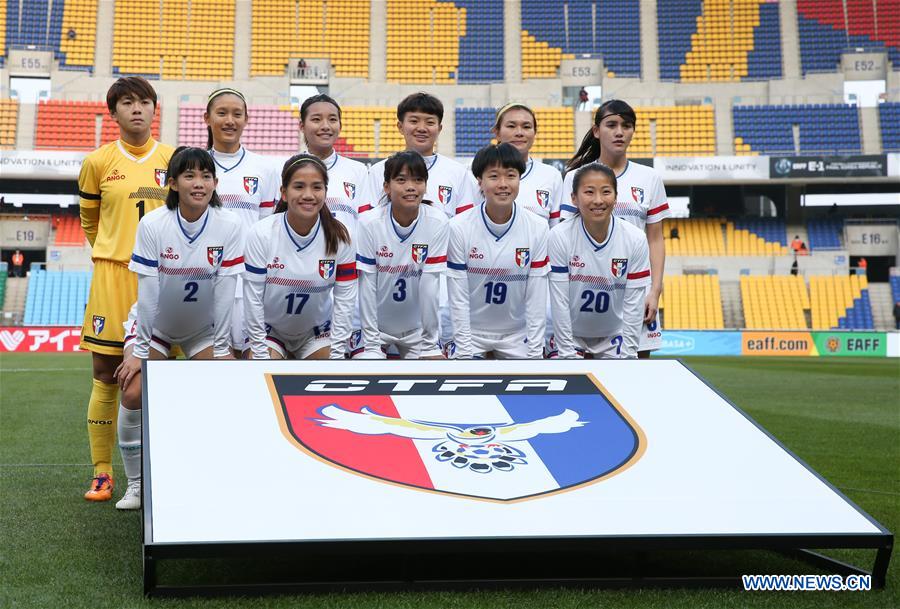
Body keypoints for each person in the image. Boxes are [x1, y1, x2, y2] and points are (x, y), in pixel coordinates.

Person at [113, 147, 244, 509]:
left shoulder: (230, 226)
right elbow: (148, 291)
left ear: (216, 183)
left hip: (202, 328)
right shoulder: (153, 225)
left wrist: (221, 348)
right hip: (156, 326)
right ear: (172, 183)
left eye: (205, 176)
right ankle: (136, 484)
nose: (198, 183)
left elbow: (226, 290)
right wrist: (140, 352)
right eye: (189, 176)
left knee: (228, 384)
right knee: (134, 390)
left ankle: (215, 473)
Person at [78, 77, 174, 501]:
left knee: (170, 374)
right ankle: (103, 472)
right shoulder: (97, 162)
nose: (137, 109)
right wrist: (115, 251)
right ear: (113, 112)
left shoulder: (173, 160)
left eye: (144, 102)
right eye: (127, 103)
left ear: (156, 110)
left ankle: (169, 465)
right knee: (105, 376)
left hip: (163, 278)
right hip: (112, 276)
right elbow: (89, 222)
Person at [563, 99, 668, 359]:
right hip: (587, 291)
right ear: (597, 131)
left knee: (634, 373)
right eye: (611, 125)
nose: (620, 131)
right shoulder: (575, 177)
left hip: (633, 289)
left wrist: (654, 290)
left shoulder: (649, 178)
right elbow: (565, 236)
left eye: (626, 125)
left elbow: (655, 239)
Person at [243, 155, 357, 360]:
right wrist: (260, 354)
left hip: (317, 332)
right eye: (299, 186)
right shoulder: (262, 233)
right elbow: (253, 299)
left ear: (325, 192)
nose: (308, 195)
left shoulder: (341, 237)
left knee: (330, 380)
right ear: (284, 193)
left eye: (316, 187)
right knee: (261, 371)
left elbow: (345, 301)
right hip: (270, 330)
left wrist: (337, 354)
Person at [447, 143, 548, 359]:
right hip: (471, 333)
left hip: (517, 333)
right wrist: (464, 350)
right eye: (494, 176)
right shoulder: (458, 227)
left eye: (510, 176)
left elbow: (536, 297)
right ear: (480, 182)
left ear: (520, 179)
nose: (503, 184)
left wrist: (535, 349)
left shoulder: (538, 227)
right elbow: (458, 296)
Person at [204, 87, 279, 355]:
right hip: (208, 281)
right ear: (207, 118)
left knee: (255, 363)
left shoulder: (265, 169)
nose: (230, 121)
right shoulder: (196, 167)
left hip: (251, 282)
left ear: (247, 119)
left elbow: (268, 228)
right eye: (221, 113)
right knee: (217, 365)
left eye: (237, 114)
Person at [549, 164, 649, 359]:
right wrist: (566, 352)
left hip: (613, 335)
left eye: (606, 192)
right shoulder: (559, 236)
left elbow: (633, 304)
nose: (598, 200)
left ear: (616, 196)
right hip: (571, 335)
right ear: (574, 198)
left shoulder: (635, 238)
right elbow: (559, 301)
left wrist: (629, 354)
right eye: (589, 192)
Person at [355, 152, 448, 359]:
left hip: (416, 330)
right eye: (401, 180)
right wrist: (371, 343)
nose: (410, 187)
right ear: (386, 187)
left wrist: (430, 343)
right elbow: (367, 287)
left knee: (433, 376)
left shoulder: (438, 222)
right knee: (368, 367)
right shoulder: (369, 223)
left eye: (418, 180)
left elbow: (429, 287)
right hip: (374, 329)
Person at [367, 92, 477, 219]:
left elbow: (465, 223)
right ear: (400, 126)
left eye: (430, 123)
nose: (421, 128)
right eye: (414, 121)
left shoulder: (458, 173)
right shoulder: (378, 171)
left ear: (439, 128)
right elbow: (370, 220)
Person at [299, 93, 373, 239]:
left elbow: (365, 224)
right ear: (302, 126)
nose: (325, 126)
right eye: (316, 119)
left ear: (340, 125)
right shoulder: (284, 170)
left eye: (332, 119)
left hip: (346, 260)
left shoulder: (358, 171)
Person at [484, 102, 563, 225]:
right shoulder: (475, 173)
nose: (519, 132)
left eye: (526, 127)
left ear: (535, 132)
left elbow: (555, 229)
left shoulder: (551, 175)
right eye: (511, 126)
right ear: (497, 132)